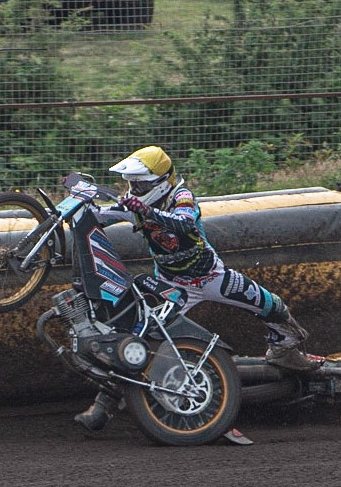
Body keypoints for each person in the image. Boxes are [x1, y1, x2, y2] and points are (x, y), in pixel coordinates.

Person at [74, 145, 320, 433]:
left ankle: (285, 350)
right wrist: (84, 205)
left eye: (140, 183)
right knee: (134, 341)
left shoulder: (182, 196)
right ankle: (102, 407)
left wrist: (146, 211)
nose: (134, 189)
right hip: (170, 286)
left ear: (160, 181)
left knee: (271, 304)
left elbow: (185, 224)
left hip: (211, 277)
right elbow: (102, 217)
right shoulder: (135, 205)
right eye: (132, 183)